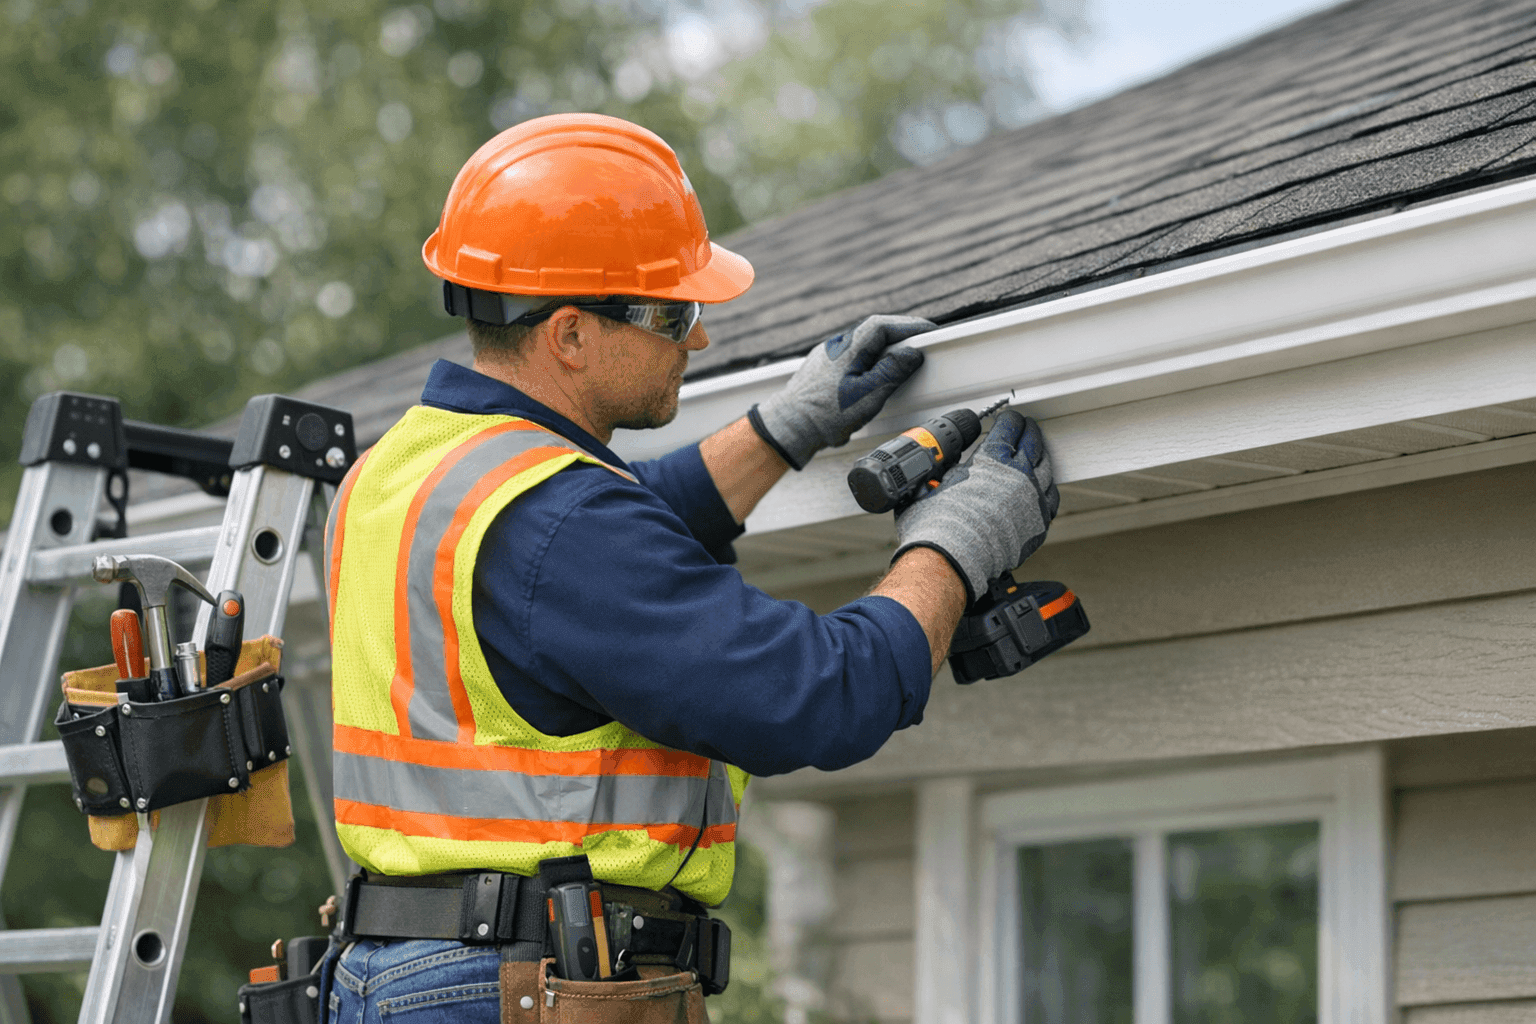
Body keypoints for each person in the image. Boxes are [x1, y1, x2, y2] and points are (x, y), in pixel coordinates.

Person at [320, 113, 1058, 1024]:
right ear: (569, 335)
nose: (697, 338)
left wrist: (778, 434)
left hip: (401, 973)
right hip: (526, 988)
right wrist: (955, 543)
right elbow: (816, 693)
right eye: (672, 312)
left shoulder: (401, 472)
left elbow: (602, 546)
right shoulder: (563, 519)